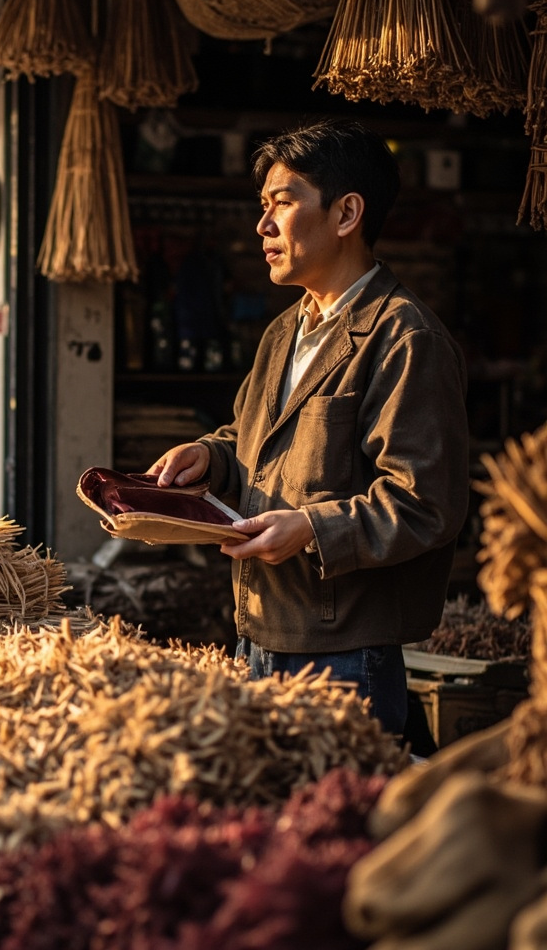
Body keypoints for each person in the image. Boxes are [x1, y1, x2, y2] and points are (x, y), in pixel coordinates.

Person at [147, 118, 470, 736]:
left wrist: (309, 528)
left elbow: (425, 502)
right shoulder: (284, 332)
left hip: (344, 656)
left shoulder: (406, 337)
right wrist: (208, 457)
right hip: (258, 633)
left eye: (282, 204)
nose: (262, 227)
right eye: (262, 208)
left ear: (347, 213)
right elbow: (248, 439)